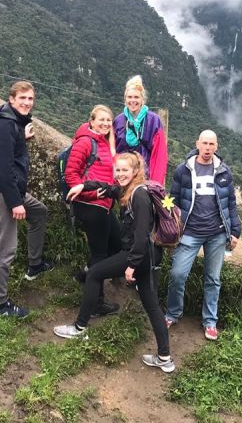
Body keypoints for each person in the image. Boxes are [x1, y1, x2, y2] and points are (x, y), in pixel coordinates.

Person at [54, 153, 175, 373]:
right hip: (149, 257)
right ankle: (165, 357)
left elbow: (140, 236)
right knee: (151, 304)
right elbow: (108, 188)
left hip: (138, 255)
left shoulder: (139, 196)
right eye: (117, 170)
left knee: (94, 273)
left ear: (136, 171)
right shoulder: (129, 189)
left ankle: (79, 327)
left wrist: (131, 265)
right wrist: (84, 185)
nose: (119, 174)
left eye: (124, 170)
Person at [0, 81, 54, 317]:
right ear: (11, 99)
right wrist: (15, 203)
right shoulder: (3, 125)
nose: (27, 103)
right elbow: (2, 169)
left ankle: (35, 264)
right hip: (2, 192)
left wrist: (22, 138)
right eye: (22, 98)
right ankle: (0, 304)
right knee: (5, 248)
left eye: (30, 99)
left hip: (11, 190)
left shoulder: (12, 122)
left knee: (39, 212)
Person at [164, 130, 241, 340]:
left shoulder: (224, 171)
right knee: (178, 274)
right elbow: (174, 199)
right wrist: (170, 223)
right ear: (197, 144)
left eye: (211, 144)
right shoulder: (183, 170)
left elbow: (231, 204)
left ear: (216, 146)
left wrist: (235, 231)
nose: (207, 148)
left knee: (213, 279)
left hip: (216, 233)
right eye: (204, 143)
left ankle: (210, 321)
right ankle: (173, 313)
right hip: (190, 231)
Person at [64, 104, 120, 317]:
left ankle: (85, 275)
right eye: (101, 120)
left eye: (108, 121)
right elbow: (71, 175)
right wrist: (91, 194)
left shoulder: (104, 143)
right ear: (92, 121)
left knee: (118, 244)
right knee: (100, 254)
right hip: (90, 206)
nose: (105, 124)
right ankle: (96, 303)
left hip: (104, 205)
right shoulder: (86, 141)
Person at [112, 75, 168, 184]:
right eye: (130, 97)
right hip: (122, 179)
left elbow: (159, 154)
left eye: (136, 97)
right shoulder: (118, 121)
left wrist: (155, 184)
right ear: (125, 99)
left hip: (144, 178)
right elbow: (112, 151)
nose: (133, 101)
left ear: (142, 99)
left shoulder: (153, 120)